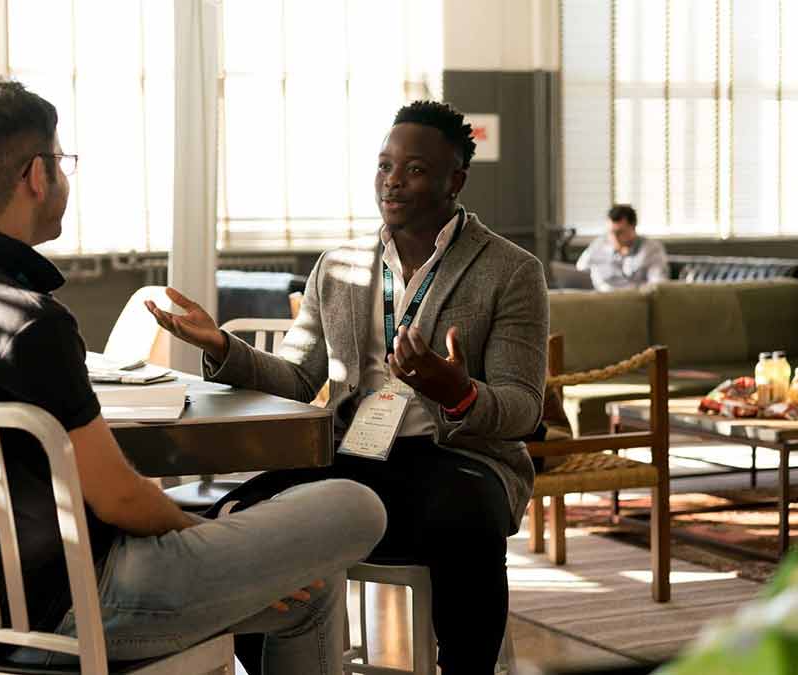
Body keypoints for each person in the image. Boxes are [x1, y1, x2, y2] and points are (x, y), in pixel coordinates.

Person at [0, 80, 386, 674]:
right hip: (86, 605)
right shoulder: (31, 321)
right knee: (357, 504)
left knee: (311, 589)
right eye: (62, 163)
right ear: (37, 175)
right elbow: (117, 498)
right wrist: (198, 530)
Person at [148, 100, 549, 674]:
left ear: (454, 179)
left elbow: (522, 409)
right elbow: (296, 380)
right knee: (244, 519)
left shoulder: (510, 270)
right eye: (384, 166)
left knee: (470, 518)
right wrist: (221, 348)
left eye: (414, 169)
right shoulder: (337, 266)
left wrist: (456, 391)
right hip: (352, 455)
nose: (393, 181)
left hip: (456, 460)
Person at [575, 204, 669, 291]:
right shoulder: (599, 245)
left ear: (633, 227)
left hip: (633, 300)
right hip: (600, 299)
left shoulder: (651, 249)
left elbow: (658, 284)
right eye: (611, 232)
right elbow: (579, 271)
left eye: (620, 232)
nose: (615, 238)